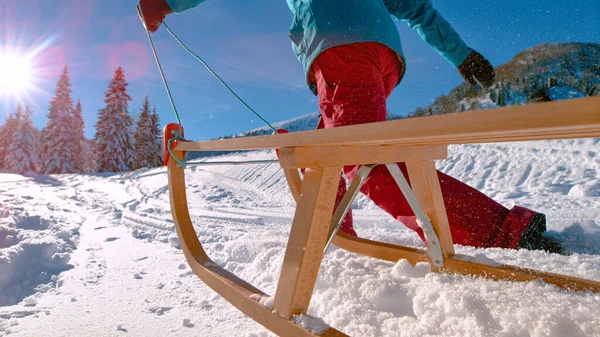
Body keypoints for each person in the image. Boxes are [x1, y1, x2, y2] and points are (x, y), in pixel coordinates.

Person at [138, 0, 562, 253]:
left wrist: (164, 2)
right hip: (380, 58)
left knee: (366, 164)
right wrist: (460, 53)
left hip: (342, 50)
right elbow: (417, 8)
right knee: (322, 154)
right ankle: (336, 234)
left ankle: (504, 231)